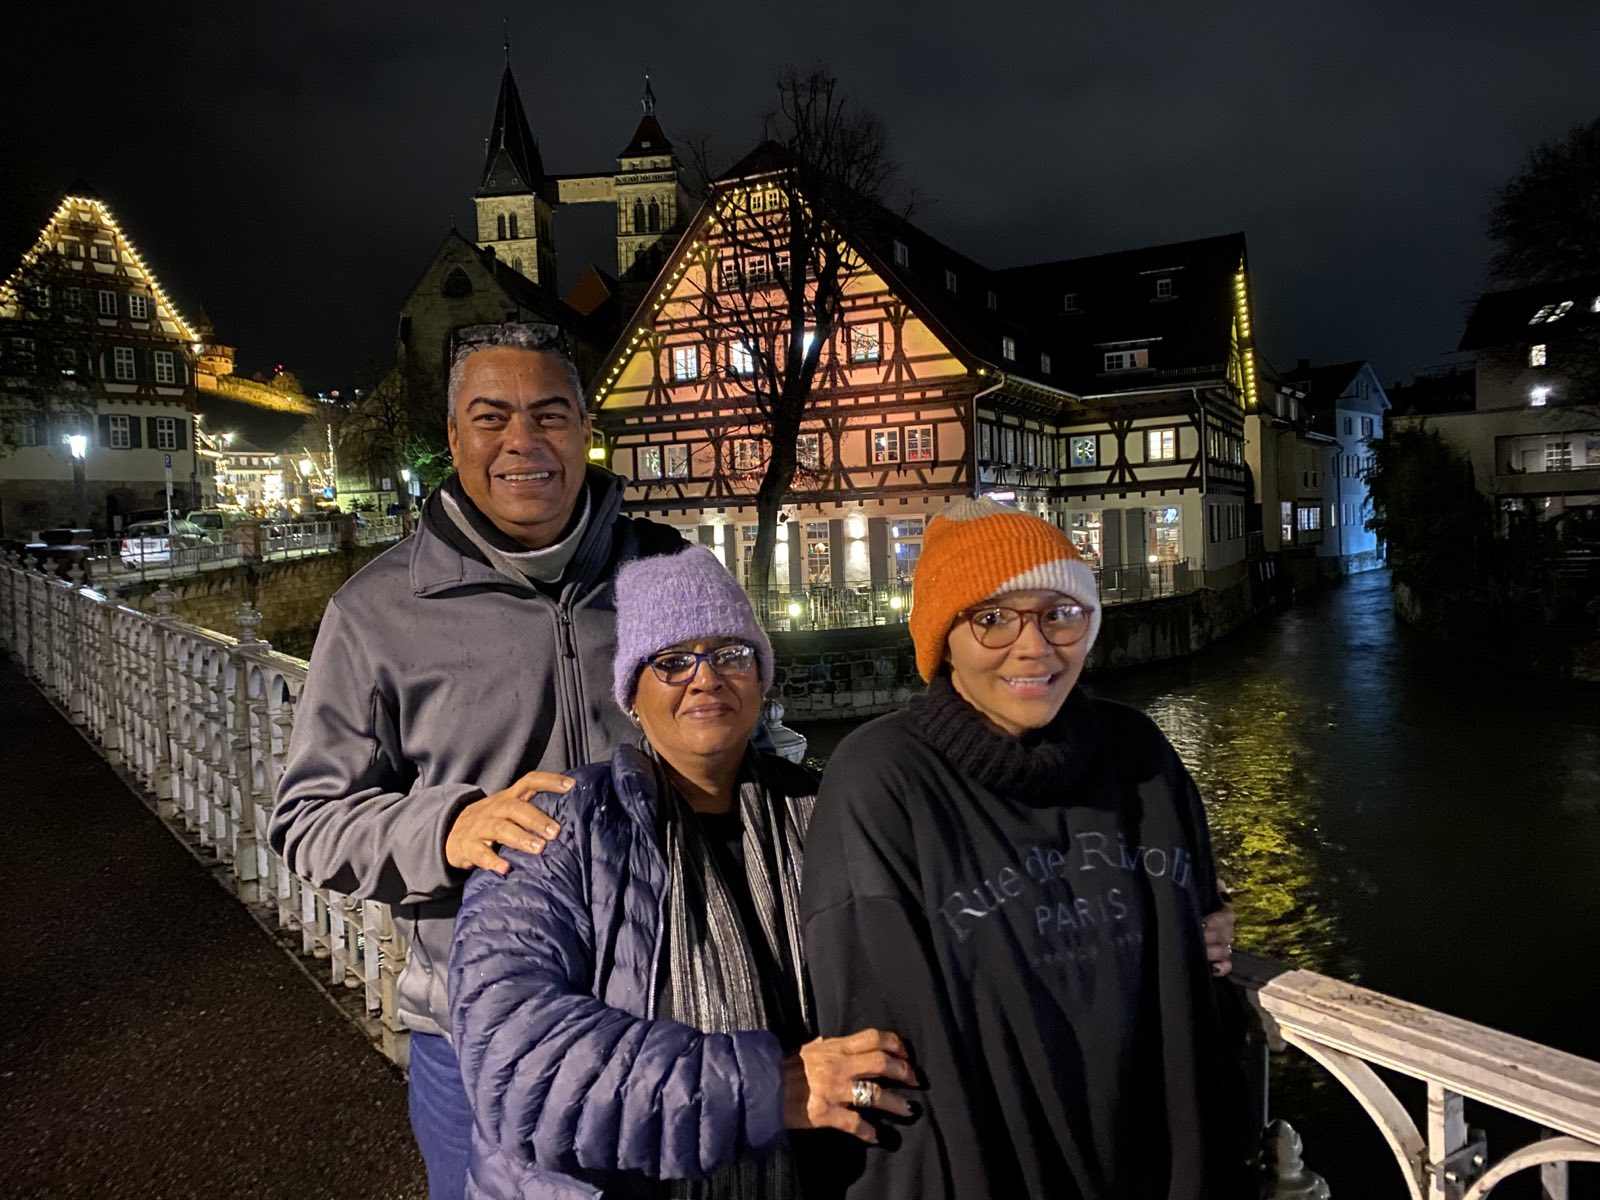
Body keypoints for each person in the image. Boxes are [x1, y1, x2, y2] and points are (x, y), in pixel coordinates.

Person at [269, 322, 684, 1199]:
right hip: (481, 1040)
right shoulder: (377, 611)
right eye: (492, 418)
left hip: (672, 1010)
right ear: (455, 439)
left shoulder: (669, 571)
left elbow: (754, 748)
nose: (522, 441)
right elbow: (308, 819)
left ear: (585, 430)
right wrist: (448, 828)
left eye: (550, 414)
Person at [801, 498, 1244, 1199]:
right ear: (944, 638)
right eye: (992, 618)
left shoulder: (1140, 756)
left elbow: (1195, 957)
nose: (1034, 646)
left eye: (1059, 614)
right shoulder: (881, 782)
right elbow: (885, 1053)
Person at [450, 545, 916, 1199]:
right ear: (632, 695)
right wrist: (764, 1088)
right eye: (672, 661)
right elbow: (514, 1065)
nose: (706, 679)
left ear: (761, 677)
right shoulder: (557, 830)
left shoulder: (830, 812)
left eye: (731, 653)